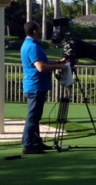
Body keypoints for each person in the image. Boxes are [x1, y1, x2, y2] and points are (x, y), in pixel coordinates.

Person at [20, 21, 69, 154]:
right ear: (35, 31)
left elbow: (42, 62)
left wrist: (59, 62)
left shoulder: (31, 45)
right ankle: (28, 144)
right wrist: (60, 67)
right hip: (35, 86)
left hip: (36, 85)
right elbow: (41, 67)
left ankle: (36, 142)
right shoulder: (32, 47)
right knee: (33, 117)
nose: (42, 30)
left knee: (35, 116)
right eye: (40, 28)